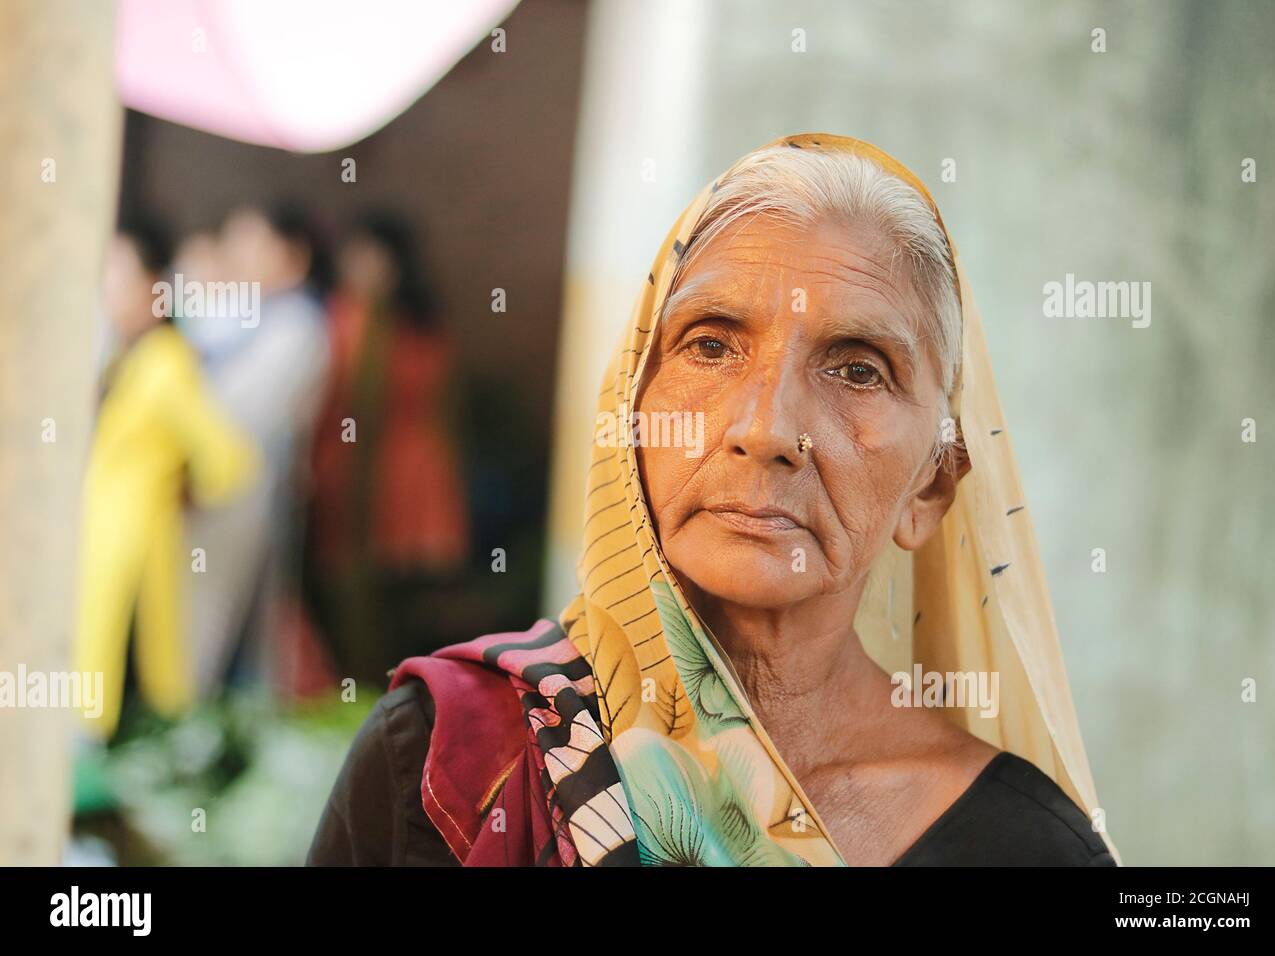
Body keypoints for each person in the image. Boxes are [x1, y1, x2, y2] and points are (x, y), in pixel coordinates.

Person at [308, 133, 1121, 866]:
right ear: (631, 409)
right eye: (710, 345)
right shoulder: (448, 759)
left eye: (857, 368)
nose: (766, 428)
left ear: (932, 485)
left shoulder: (1028, 849)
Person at [73, 217, 259, 739]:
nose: (107, 286)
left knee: (113, 677)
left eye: (118, 272)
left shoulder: (165, 361)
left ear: (152, 286)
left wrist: (177, 491)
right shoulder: (125, 356)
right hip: (102, 542)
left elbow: (228, 460)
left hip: (129, 546)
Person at [304, 212, 469, 687]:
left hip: (402, 482)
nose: (360, 266)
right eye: (355, 255)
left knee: (400, 602)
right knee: (349, 597)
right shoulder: (345, 317)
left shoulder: (409, 325)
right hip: (351, 477)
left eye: (372, 256)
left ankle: (396, 699)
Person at [181, 203, 330, 697]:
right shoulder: (236, 312)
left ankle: (194, 718)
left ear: (293, 256)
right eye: (233, 242)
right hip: (201, 488)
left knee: (214, 615)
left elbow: (242, 411)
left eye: (254, 242)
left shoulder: (298, 324)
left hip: (244, 490)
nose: (239, 255)